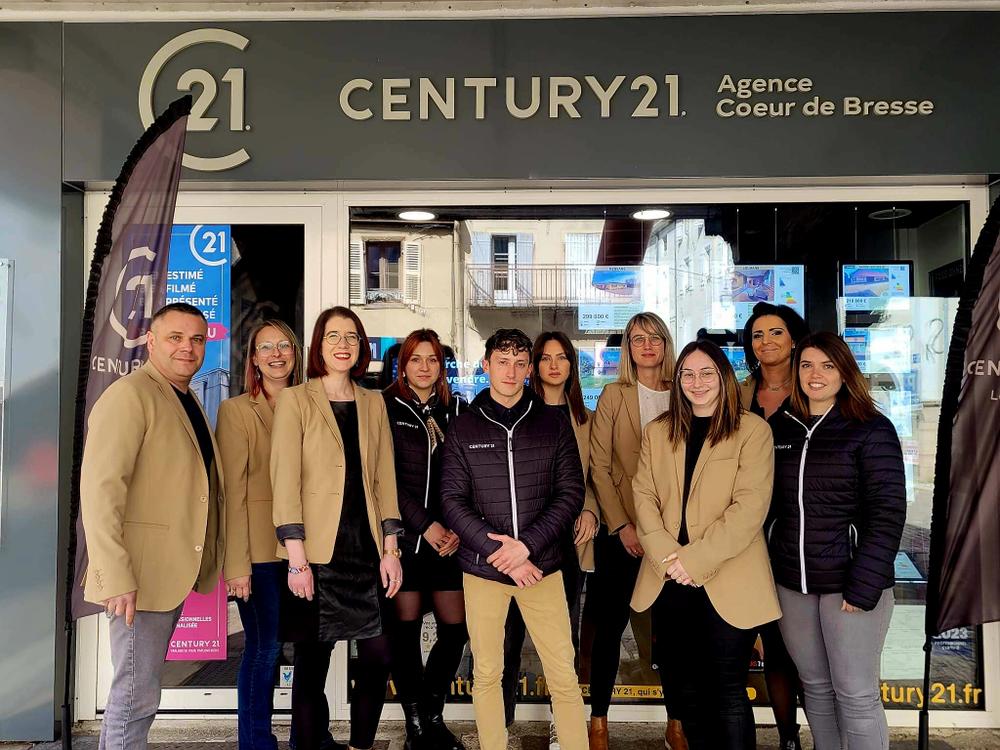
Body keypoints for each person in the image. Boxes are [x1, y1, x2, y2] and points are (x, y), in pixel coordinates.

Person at [81, 302, 234, 750]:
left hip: (165, 572)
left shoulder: (184, 398)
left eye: (197, 339)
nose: (188, 348)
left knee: (140, 691)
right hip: (138, 578)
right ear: (150, 341)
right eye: (176, 337)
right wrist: (117, 575)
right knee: (135, 695)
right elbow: (100, 491)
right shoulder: (130, 395)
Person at [441, 328, 588, 750]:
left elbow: (570, 492)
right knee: (487, 672)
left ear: (529, 369)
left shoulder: (552, 423)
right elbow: (452, 501)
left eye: (520, 363)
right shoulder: (463, 427)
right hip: (484, 571)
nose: (511, 371)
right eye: (502, 362)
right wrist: (499, 553)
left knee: (562, 671)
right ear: (485, 365)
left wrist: (527, 547)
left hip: (542, 566)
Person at [631, 340, 779, 750]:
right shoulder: (658, 431)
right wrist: (668, 557)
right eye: (688, 374)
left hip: (727, 577)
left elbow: (750, 507)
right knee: (684, 693)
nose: (697, 382)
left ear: (723, 377)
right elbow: (642, 497)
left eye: (706, 373)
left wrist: (692, 560)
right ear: (677, 380)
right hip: (669, 580)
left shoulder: (752, 431)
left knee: (727, 691)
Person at [270, 306, 404, 750]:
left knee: (380, 655)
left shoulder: (373, 401)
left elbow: (384, 477)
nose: (343, 344)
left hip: (366, 552)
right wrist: (295, 559)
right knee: (311, 666)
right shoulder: (296, 399)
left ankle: (361, 745)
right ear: (318, 346)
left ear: (362, 347)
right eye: (333, 336)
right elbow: (283, 480)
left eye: (351, 336)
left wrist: (391, 549)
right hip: (315, 555)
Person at [768, 332, 905, 750]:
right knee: (816, 689)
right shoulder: (780, 427)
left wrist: (863, 586)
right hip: (794, 584)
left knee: (857, 694)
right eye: (807, 365)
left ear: (845, 372)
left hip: (850, 585)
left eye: (828, 365)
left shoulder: (871, 428)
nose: (816, 374)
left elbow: (887, 514)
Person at [586, 312, 686, 750]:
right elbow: (600, 466)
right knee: (608, 631)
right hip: (622, 535)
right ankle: (599, 720)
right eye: (637, 339)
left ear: (666, 344)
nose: (647, 346)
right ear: (627, 348)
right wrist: (622, 524)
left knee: (674, 634)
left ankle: (677, 722)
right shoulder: (614, 394)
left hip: (677, 537)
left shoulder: (685, 391)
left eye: (655, 338)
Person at [501, 331, 600, 748]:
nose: (554, 365)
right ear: (534, 366)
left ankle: (566, 725)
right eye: (546, 358)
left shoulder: (585, 418)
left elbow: (594, 474)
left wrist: (592, 509)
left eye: (562, 358)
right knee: (508, 637)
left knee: (564, 639)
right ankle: (501, 721)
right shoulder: (518, 413)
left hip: (567, 542)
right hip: (517, 544)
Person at [216, 319, 303, 750]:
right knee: (264, 649)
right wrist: (236, 565)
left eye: (283, 345)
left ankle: (310, 734)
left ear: (295, 352)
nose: (275, 354)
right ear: (253, 358)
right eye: (265, 347)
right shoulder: (235, 411)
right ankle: (255, 742)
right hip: (259, 554)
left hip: (304, 548)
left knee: (307, 648)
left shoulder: (312, 403)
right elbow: (230, 492)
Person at [383, 329, 468, 750]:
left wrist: (453, 526)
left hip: (451, 542)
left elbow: (465, 478)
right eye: (415, 359)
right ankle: (416, 724)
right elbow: (386, 481)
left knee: (456, 629)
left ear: (441, 366)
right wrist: (426, 527)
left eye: (431, 360)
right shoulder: (385, 407)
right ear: (403, 365)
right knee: (405, 633)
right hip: (405, 543)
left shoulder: (458, 411)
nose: (423, 367)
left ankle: (431, 712)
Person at [739, 302, 810, 750]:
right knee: (739, 644)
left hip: (796, 533)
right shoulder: (738, 393)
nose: (766, 342)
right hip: (742, 537)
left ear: (793, 339)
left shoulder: (813, 392)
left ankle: (788, 739)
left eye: (776, 333)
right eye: (758, 334)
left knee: (785, 648)